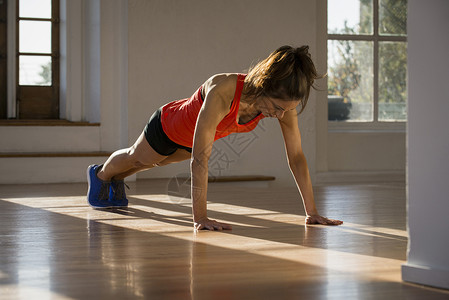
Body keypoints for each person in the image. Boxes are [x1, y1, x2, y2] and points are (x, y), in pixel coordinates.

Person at [87, 45, 343, 230]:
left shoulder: (282, 108)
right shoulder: (224, 91)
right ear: (264, 85)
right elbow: (201, 159)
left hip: (191, 142)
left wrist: (312, 212)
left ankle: (112, 179)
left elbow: (296, 157)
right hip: (167, 127)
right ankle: (100, 175)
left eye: (286, 110)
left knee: (152, 163)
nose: (279, 115)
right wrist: (200, 217)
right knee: (138, 158)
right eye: (277, 107)